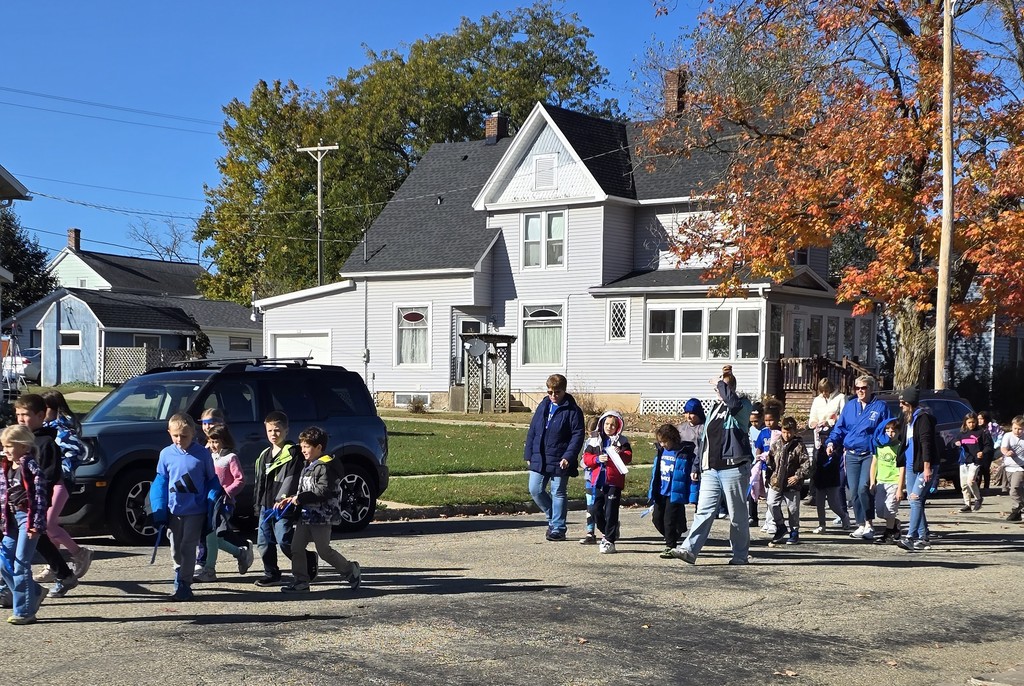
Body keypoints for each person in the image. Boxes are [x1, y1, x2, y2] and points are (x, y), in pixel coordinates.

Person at [671, 365, 754, 565]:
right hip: (711, 469)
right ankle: (689, 550)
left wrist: (721, 382)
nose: (718, 391)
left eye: (721, 388)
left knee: (737, 515)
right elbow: (704, 440)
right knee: (704, 512)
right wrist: (698, 465)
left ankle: (740, 555)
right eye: (717, 388)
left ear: (730, 389)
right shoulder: (715, 409)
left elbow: (732, 403)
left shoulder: (742, 406)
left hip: (733, 468)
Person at [279, 426, 361, 593]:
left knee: (323, 551)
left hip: (322, 516)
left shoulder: (325, 466)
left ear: (319, 447)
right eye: (302, 446)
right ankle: (301, 581)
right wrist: (293, 497)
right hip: (306, 515)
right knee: (296, 547)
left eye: (307, 447)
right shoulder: (309, 465)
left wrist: (300, 498)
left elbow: (323, 491)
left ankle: (350, 570)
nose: (303, 450)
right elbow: (306, 489)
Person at [13, 395, 79, 598]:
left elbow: (48, 476)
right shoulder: (17, 439)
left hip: (34, 504)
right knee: (38, 541)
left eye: (26, 415)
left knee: (22, 549)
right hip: (15, 503)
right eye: (18, 415)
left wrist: (36, 500)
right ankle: (64, 574)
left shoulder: (46, 443)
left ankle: (21, 592)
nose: (21, 419)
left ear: (41, 415)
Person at [149, 413, 219, 601]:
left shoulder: (203, 454)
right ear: (169, 433)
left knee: (188, 547)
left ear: (193, 434)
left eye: (184, 436)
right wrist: (159, 509)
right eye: (176, 435)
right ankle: (179, 572)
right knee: (175, 547)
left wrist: (213, 500)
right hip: (174, 511)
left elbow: (212, 480)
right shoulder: (166, 454)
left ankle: (184, 583)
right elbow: (160, 482)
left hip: (196, 510)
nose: (180, 440)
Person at [826, 375, 892, 541]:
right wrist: (831, 442)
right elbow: (839, 428)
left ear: (871, 388)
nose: (860, 391)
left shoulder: (880, 407)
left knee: (864, 487)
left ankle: (870, 523)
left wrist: (881, 444)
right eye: (857, 388)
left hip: (870, 454)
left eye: (864, 388)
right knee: (854, 490)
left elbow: (889, 429)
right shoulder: (849, 407)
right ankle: (860, 524)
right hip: (851, 454)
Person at [252, 411, 312, 586]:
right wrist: (257, 504)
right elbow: (260, 483)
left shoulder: (292, 453)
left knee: (284, 539)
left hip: (283, 505)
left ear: (286, 431)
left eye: (277, 430)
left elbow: (291, 479)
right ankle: (271, 573)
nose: (273, 434)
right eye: (270, 430)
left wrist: (282, 500)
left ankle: (307, 561)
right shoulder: (264, 455)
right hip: (266, 504)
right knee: (263, 542)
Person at [524, 374, 585, 542]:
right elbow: (533, 430)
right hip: (540, 456)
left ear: (564, 391)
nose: (553, 395)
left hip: (561, 458)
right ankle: (552, 516)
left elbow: (577, 436)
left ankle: (558, 528)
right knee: (535, 489)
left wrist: (569, 456)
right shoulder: (544, 405)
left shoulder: (573, 411)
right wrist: (529, 453)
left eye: (557, 392)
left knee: (558, 491)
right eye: (550, 392)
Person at [40, 390, 93, 580]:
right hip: (48, 481)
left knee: (47, 523)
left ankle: (79, 553)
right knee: (48, 523)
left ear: (53, 409)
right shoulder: (45, 428)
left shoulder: (63, 430)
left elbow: (77, 451)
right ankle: (53, 566)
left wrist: (60, 468)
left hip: (62, 480)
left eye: (43, 408)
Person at [0, 425, 50, 624]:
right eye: (4, 446)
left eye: (9, 446)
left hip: (26, 519)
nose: (6, 450)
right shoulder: (5, 467)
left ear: (23, 446)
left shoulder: (30, 467)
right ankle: (34, 591)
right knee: (4, 562)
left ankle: (24, 611)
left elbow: (39, 498)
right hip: (10, 520)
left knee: (21, 563)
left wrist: (36, 525)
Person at [193, 425, 254, 582]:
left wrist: (227, 492)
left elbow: (240, 479)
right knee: (214, 539)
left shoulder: (230, 457)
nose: (213, 445)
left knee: (211, 536)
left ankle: (210, 570)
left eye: (216, 441)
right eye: (210, 441)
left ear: (224, 441)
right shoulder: (209, 457)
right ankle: (241, 553)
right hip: (209, 502)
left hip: (223, 503)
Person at [894, 388, 939, 552]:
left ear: (910, 403)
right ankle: (924, 537)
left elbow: (926, 444)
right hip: (912, 465)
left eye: (902, 402)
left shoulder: (923, 418)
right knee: (916, 502)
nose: (900, 405)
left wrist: (927, 468)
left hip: (924, 466)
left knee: (915, 499)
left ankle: (910, 537)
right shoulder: (908, 419)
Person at [582, 411, 632, 554]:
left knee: (611, 510)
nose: (609, 427)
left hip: (614, 481)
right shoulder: (594, 440)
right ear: (602, 424)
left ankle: (609, 541)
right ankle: (607, 530)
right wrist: (597, 459)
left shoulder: (622, 441)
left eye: (613, 425)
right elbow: (586, 458)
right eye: (607, 424)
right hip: (598, 480)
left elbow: (628, 457)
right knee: (596, 510)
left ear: (618, 427)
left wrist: (620, 453)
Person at [648, 424, 693, 558]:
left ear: (673, 438)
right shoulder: (661, 451)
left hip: (674, 492)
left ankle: (670, 546)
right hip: (661, 491)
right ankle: (673, 533)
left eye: (665, 441)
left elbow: (687, 472)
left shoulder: (682, 452)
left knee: (669, 520)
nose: (662, 444)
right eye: (660, 441)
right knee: (657, 519)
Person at [765, 417, 810, 546]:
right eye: (784, 432)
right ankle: (780, 526)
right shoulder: (776, 444)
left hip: (792, 483)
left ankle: (794, 531)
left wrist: (798, 476)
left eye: (789, 432)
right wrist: (769, 477)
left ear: (794, 431)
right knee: (771, 503)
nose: (786, 435)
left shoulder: (799, 446)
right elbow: (770, 462)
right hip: (776, 482)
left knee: (793, 509)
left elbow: (806, 464)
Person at [807, 378, 846, 505]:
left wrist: (829, 422)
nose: (824, 394)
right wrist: (813, 422)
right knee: (816, 463)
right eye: (822, 391)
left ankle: (833, 495)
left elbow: (843, 416)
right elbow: (812, 416)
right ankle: (814, 494)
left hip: (833, 433)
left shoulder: (840, 397)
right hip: (819, 435)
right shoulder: (817, 400)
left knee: (833, 463)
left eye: (826, 391)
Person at [869, 419, 903, 544]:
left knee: (890, 509)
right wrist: (872, 481)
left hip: (894, 481)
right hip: (881, 481)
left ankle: (888, 535)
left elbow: (902, 468)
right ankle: (895, 524)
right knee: (880, 511)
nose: (890, 433)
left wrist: (900, 487)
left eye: (893, 431)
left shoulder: (899, 447)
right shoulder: (880, 446)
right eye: (887, 431)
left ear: (899, 432)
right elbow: (874, 464)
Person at [952, 412, 990, 513]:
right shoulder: (962, 434)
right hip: (964, 461)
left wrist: (982, 452)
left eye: (973, 422)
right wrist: (956, 443)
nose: (971, 424)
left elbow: (988, 446)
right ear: (965, 423)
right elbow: (953, 442)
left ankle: (978, 498)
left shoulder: (981, 432)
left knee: (971, 481)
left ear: (976, 422)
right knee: (964, 485)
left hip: (975, 461)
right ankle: (967, 504)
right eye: (969, 422)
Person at [752, 408, 781, 532]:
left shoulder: (781, 432)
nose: (769, 423)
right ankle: (768, 521)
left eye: (771, 420)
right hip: (765, 467)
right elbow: (758, 447)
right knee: (768, 495)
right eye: (766, 420)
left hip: (777, 468)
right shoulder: (763, 433)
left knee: (773, 497)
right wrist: (757, 459)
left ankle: (772, 522)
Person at [578, 416, 601, 545]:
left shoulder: (605, 443)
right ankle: (590, 532)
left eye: (595, 432)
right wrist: (586, 463)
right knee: (590, 507)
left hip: (602, 480)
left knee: (601, 507)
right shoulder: (588, 443)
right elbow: (582, 460)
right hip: (589, 479)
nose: (592, 435)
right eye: (590, 433)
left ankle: (608, 529)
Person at [1000, 416, 1024, 522]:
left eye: (1020, 429)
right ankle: (1018, 512)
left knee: (1015, 488)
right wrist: (1006, 452)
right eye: (1015, 428)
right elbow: (1003, 447)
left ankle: (1017, 509)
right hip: (1009, 466)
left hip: (1021, 467)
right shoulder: (1008, 436)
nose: (1017, 431)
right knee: (1017, 490)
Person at [977, 411, 1003, 495]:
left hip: (989, 450)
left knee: (985, 468)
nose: (979, 421)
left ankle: (986, 487)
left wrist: (995, 446)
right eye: (978, 419)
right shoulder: (977, 427)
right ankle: (977, 487)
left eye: (981, 419)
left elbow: (999, 436)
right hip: (979, 450)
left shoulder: (993, 427)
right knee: (978, 469)